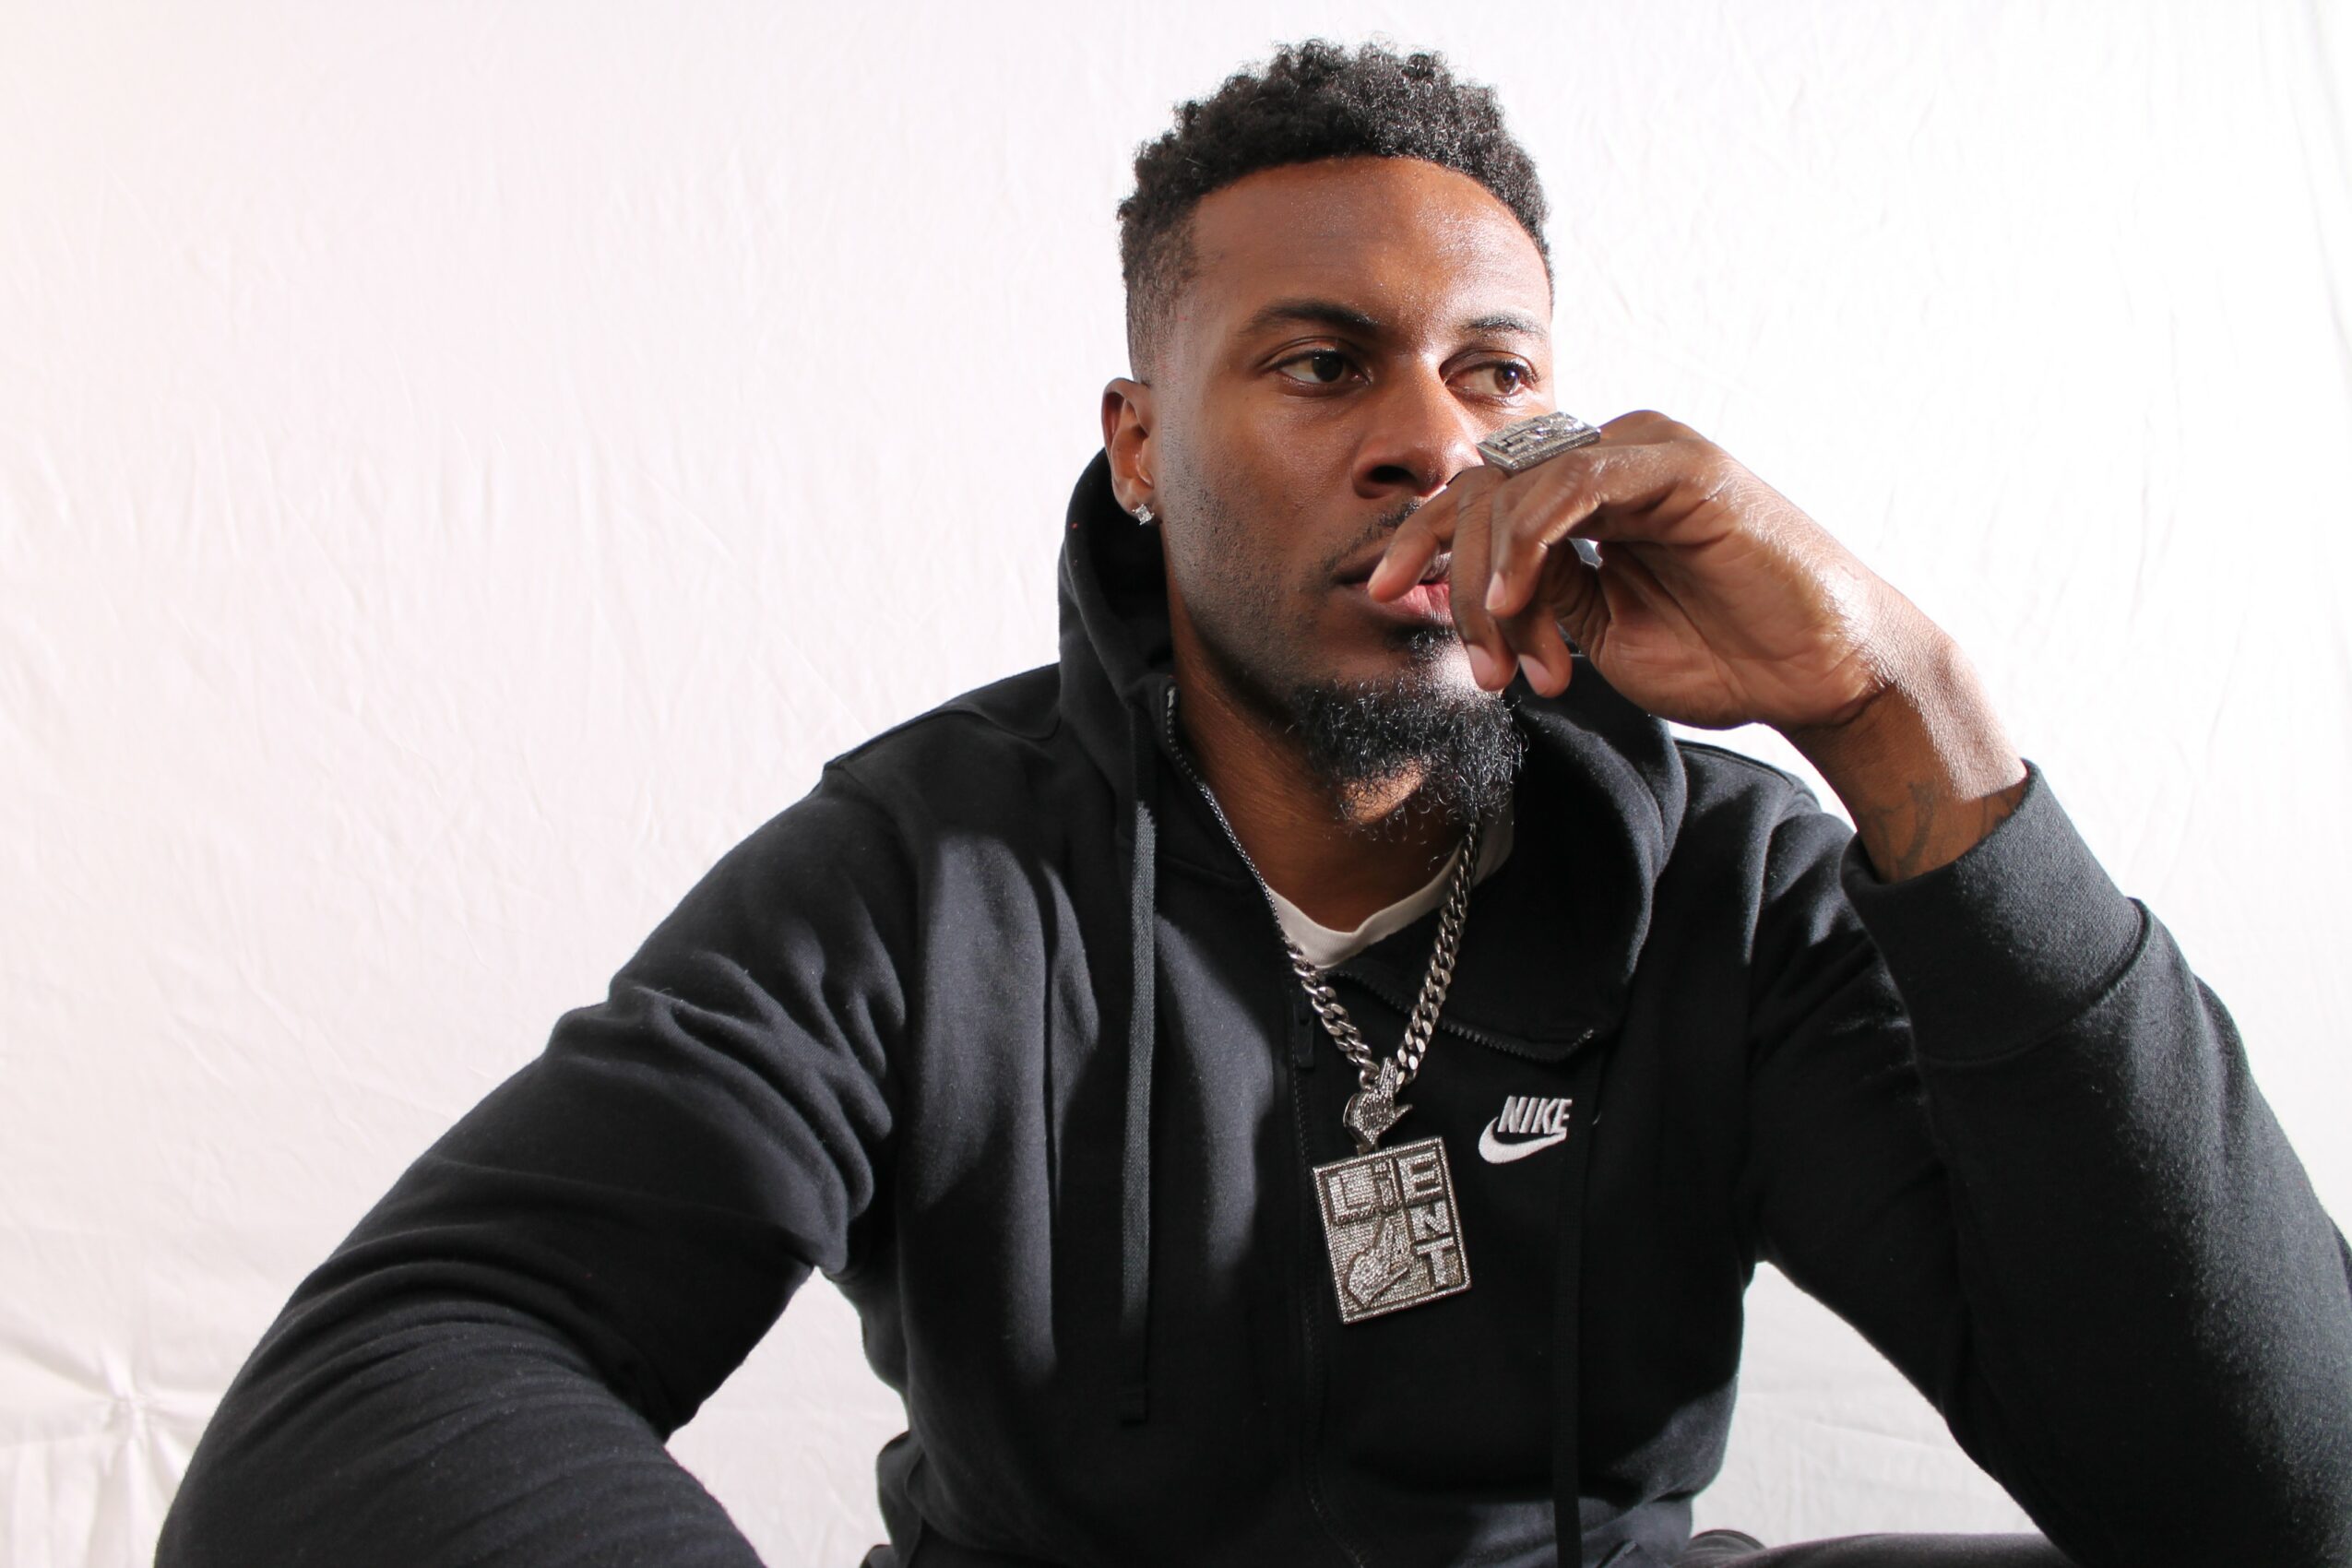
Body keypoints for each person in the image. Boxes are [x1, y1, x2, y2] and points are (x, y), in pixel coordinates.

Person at [156, 41, 2352, 1568]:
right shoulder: (929, 875)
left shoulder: (1725, 884)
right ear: (1141, 446)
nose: (1433, 440)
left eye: (1495, 373)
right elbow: (396, 1372)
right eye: (1321, 364)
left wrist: (1902, 718)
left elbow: (2279, 1498)